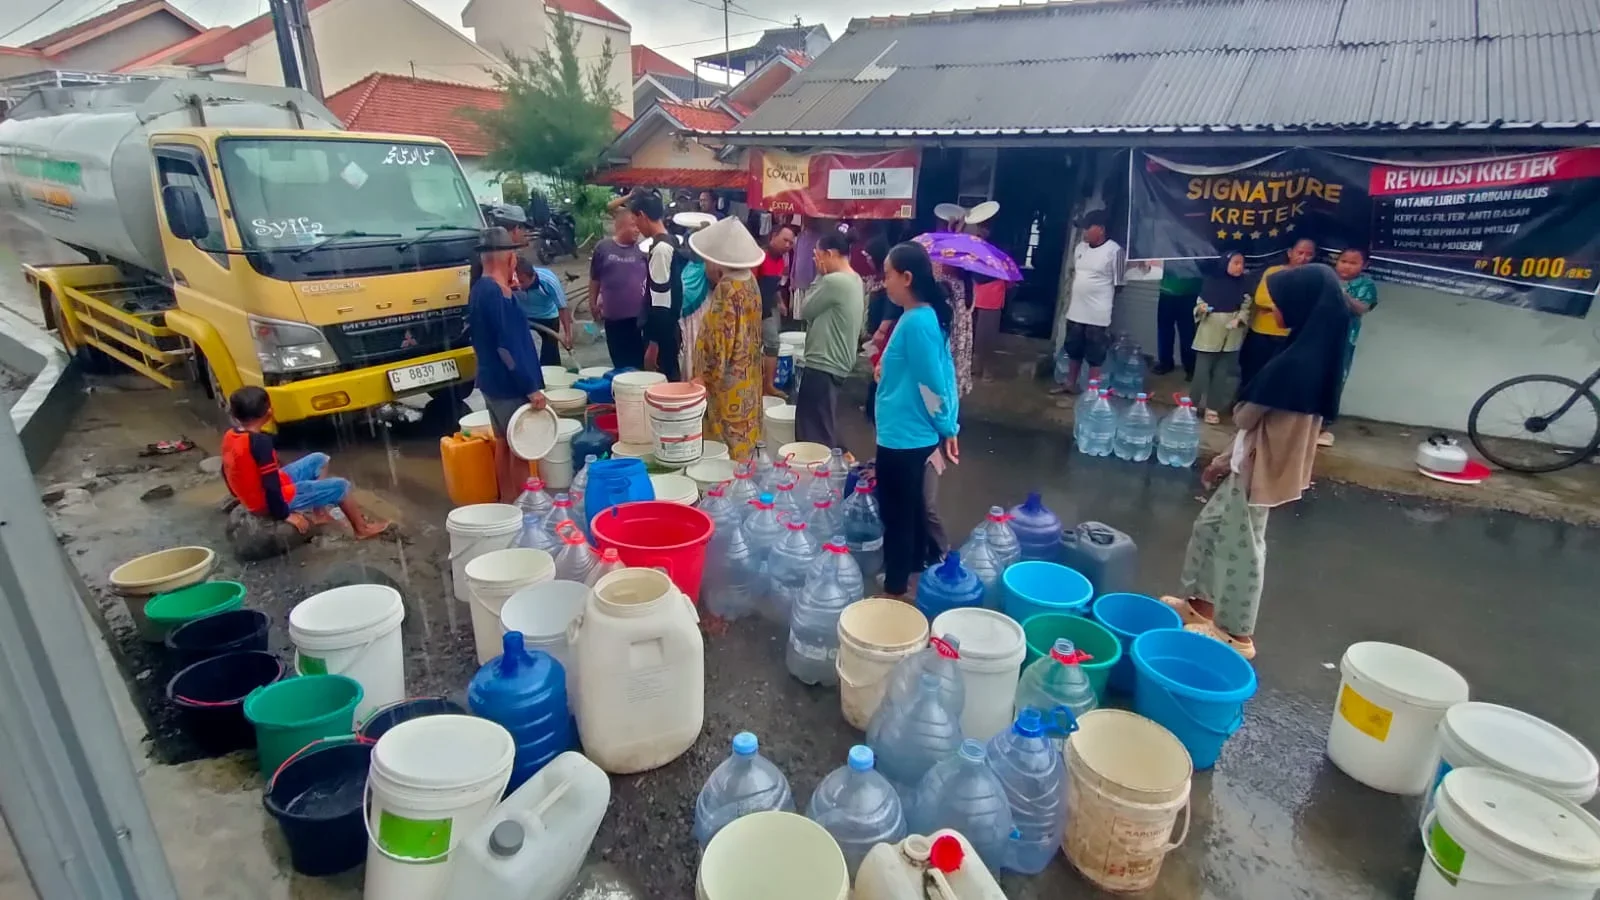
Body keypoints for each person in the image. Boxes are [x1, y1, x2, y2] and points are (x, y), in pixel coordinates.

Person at [1165, 264, 1352, 659]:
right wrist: (1221, 459)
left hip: (1259, 473)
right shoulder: (1310, 352)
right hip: (1245, 461)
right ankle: (1199, 604)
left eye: (1281, 301)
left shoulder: (1297, 364)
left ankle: (1235, 632)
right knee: (1211, 527)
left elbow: (1247, 418)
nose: (1274, 307)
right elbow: (1252, 430)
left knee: (1243, 549)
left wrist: (1242, 412)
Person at [874, 241, 961, 598]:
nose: (884, 283)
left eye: (887, 275)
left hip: (905, 437)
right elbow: (936, 374)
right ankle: (908, 576)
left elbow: (934, 384)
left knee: (898, 518)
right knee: (906, 512)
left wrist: (947, 427)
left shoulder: (918, 322)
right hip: (904, 431)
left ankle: (896, 590)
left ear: (906, 277)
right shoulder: (918, 318)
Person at [220, 386, 389, 539]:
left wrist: (239, 495)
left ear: (235, 415)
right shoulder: (260, 443)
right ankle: (362, 529)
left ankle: (319, 512)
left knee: (319, 459)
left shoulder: (231, 435)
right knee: (341, 486)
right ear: (269, 413)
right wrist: (284, 514)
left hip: (259, 493)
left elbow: (225, 469)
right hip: (268, 501)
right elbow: (271, 486)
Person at [468, 226, 549, 503]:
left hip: (491, 383)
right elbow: (507, 348)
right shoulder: (497, 294)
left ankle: (507, 501)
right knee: (521, 449)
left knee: (503, 443)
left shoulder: (480, 288)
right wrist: (530, 388)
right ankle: (526, 508)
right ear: (509, 259)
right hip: (508, 385)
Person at [689, 217, 767, 460]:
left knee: (725, 452)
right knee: (746, 442)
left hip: (727, 388)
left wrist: (702, 379)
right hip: (749, 381)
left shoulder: (727, 290)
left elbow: (716, 346)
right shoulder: (750, 281)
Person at [795, 231, 865, 447]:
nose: (816, 261)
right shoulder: (855, 278)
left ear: (830, 254)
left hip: (824, 362)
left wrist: (819, 275)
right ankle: (840, 462)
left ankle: (823, 475)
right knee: (824, 423)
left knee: (813, 432)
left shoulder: (834, 281)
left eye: (818, 256)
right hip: (837, 361)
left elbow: (804, 310)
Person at [1052, 209, 1124, 393]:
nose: (1084, 233)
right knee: (1073, 349)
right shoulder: (1080, 248)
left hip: (1097, 315)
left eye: (1087, 228)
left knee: (1095, 355)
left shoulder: (1115, 252)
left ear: (1100, 229)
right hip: (1076, 311)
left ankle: (1092, 392)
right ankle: (1069, 384)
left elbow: (1120, 284)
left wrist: (1102, 300)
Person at [1240, 237, 1316, 389]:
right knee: (1252, 372)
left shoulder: (1313, 277)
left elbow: (1308, 304)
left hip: (1290, 336)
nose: (1303, 258)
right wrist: (1287, 307)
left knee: (1279, 377)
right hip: (1261, 332)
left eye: (1308, 254)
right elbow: (1261, 298)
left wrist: (1276, 307)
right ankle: (1243, 405)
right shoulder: (1274, 271)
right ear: (1290, 253)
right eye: (1300, 252)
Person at [1321, 247, 1379, 446]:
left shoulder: (1366, 284)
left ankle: (1323, 426)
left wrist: (1341, 293)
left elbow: (1361, 308)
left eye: (1353, 263)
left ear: (1365, 265)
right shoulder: (1325, 277)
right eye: (1343, 261)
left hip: (1343, 340)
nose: (1346, 266)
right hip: (1316, 337)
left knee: (1334, 379)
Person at [1189, 251, 1253, 424]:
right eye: (1235, 263)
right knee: (1201, 373)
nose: (1240, 267)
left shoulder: (1244, 284)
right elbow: (1199, 304)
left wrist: (1239, 319)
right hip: (1208, 334)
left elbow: (1247, 306)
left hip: (1230, 336)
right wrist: (1202, 310)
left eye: (1242, 263)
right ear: (1225, 264)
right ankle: (1192, 405)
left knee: (1221, 375)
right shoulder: (1211, 282)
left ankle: (1213, 407)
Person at [631, 191, 687, 381]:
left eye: (635, 220)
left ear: (642, 216)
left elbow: (661, 302)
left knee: (664, 385)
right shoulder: (670, 241)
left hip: (663, 333)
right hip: (668, 329)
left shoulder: (661, 250)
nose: (636, 227)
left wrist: (653, 345)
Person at [590, 206, 649, 370]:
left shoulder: (643, 250)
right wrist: (593, 303)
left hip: (638, 319)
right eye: (633, 225)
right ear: (620, 225)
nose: (638, 230)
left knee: (639, 363)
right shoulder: (603, 248)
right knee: (619, 362)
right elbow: (595, 278)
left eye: (639, 226)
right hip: (613, 318)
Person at [757, 224, 797, 395]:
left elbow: (775, 286)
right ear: (773, 236)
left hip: (771, 305)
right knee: (772, 343)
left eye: (791, 242)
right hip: (758, 307)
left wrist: (780, 302)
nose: (788, 245)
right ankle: (768, 386)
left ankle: (764, 383)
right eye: (785, 240)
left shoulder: (781, 260)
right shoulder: (759, 256)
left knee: (769, 344)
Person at [513, 258, 571, 367]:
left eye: (522, 282)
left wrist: (568, 335)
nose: (518, 285)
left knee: (550, 354)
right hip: (524, 317)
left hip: (547, 317)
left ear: (533, 276)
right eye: (517, 280)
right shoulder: (510, 280)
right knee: (526, 352)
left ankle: (552, 377)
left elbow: (562, 307)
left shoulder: (548, 281)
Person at [1154, 258, 1203, 378]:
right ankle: (1165, 363)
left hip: (1190, 294)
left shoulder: (1199, 246)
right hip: (1167, 292)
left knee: (1188, 333)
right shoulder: (1167, 246)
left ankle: (1190, 367)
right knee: (1164, 331)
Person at [936, 263, 975, 396]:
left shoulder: (946, 282)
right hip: (963, 331)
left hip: (951, 331)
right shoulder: (969, 283)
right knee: (958, 363)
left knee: (946, 363)